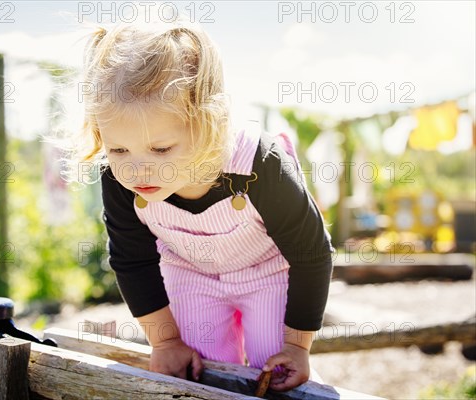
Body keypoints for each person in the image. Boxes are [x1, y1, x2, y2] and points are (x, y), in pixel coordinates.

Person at [65, 19, 334, 392]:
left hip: (267, 273)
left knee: (276, 370)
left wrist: (297, 345)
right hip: (190, 274)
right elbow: (132, 260)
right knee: (203, 375)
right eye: (118, 148)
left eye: (160, 149)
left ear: (209, 122)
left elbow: (312, 253)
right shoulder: (118, 176)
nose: (136, 167)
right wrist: (166, 342)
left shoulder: (261, 163)